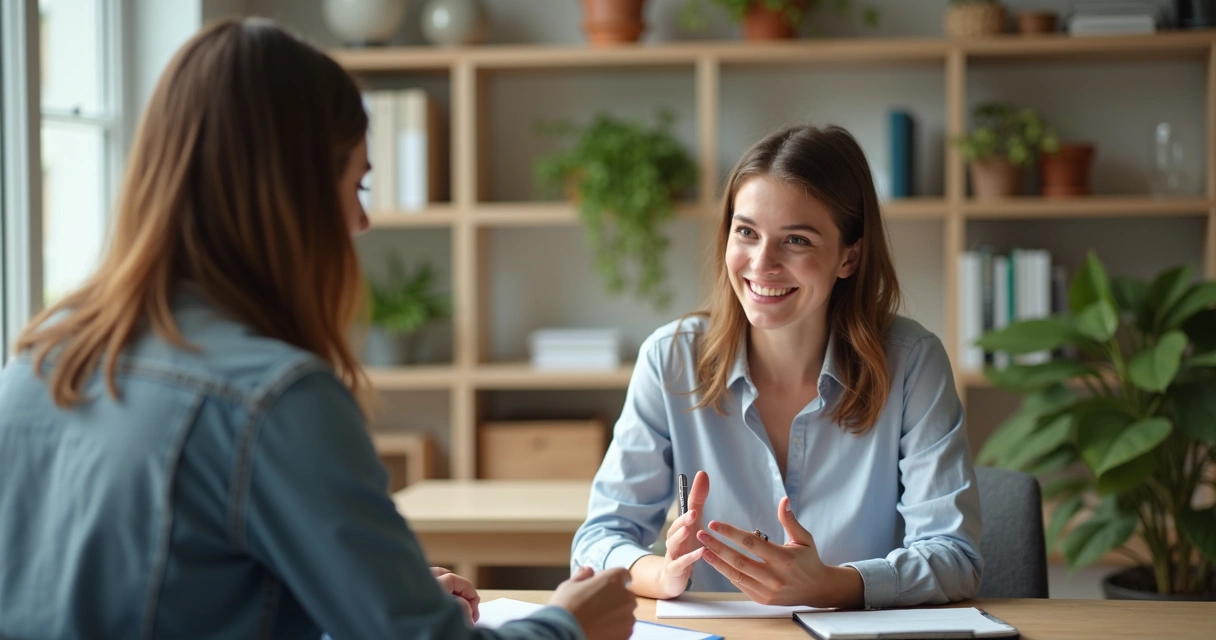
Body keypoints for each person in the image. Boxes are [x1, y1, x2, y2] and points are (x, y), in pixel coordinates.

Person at [0, 18, 634, 640]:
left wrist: (368, 601)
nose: (361, 221)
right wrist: (568, 623)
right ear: (289, 192)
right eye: (355, 184)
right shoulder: (274, 399)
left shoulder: (40, 357)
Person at [571, 125, 983, 610]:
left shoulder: (913, 362)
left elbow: (955, 558)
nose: (761, 263)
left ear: (849, 256)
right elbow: (598, 539)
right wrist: (664, 571)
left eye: (797, 241)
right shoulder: (670, 359)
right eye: (746, 232)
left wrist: (832, 585)